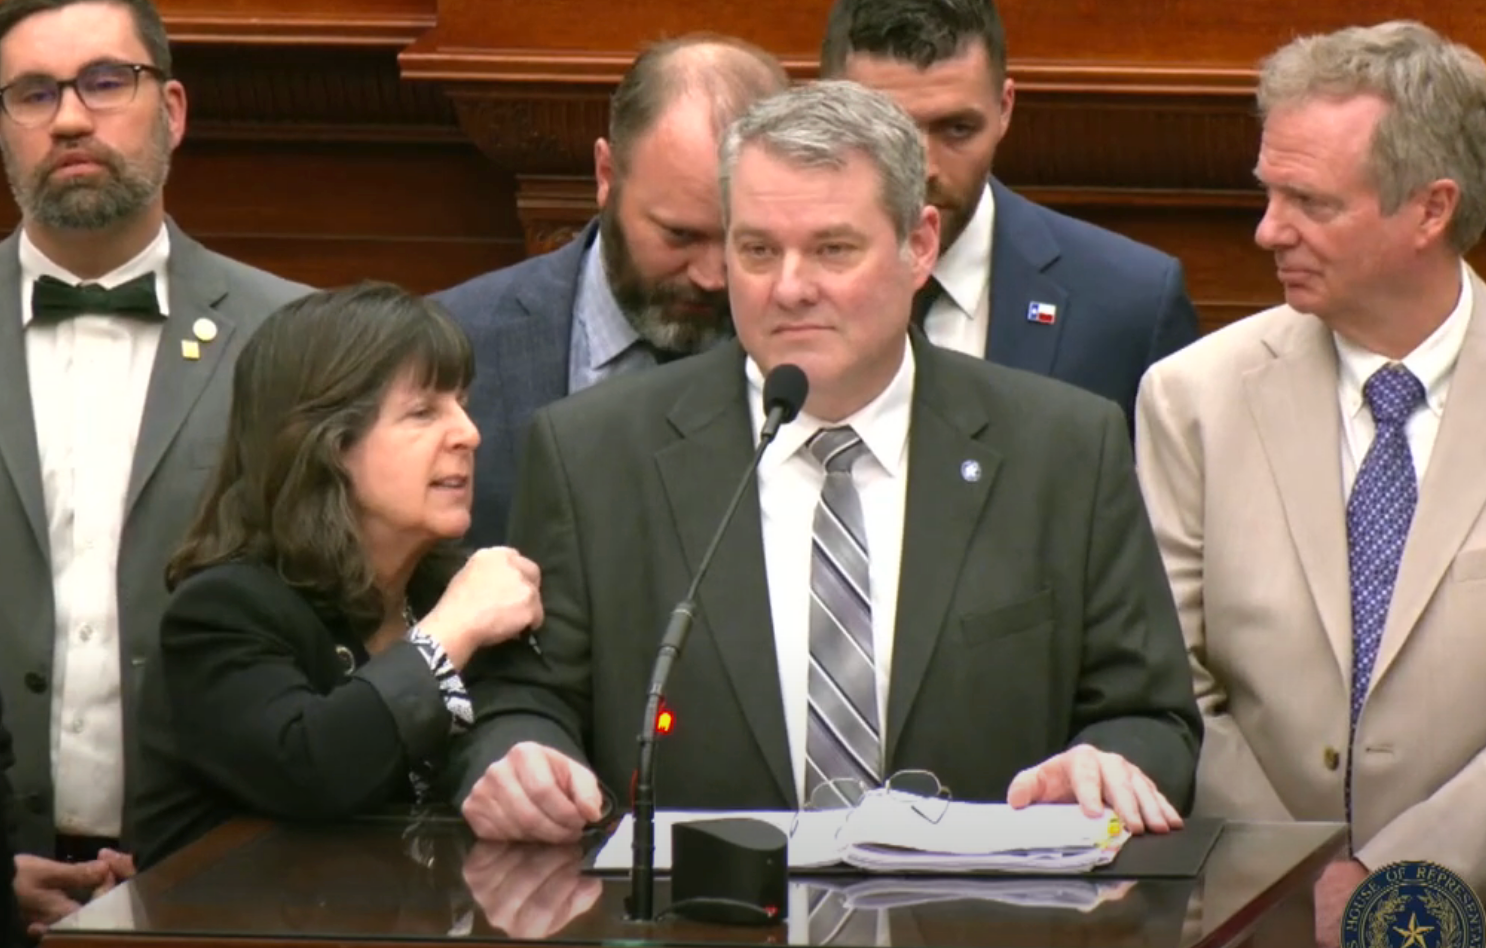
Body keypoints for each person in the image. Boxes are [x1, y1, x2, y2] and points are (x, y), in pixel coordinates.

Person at [449, 80, 1202, 843]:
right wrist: (521, 757)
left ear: (920, 246)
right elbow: (521, 701)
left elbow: (1152, 717)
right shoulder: (595, 454)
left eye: (833, 249)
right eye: (757, 250)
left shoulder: (1063, 448)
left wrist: (1108, 760)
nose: (790, 288)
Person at [1134, 19, 1486, 946]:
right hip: (1256, 913)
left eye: (1310, 202)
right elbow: (1169, 680)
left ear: (1430, 209)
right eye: (1268, 193)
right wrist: (1296, 868)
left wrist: (1410, 869)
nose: (1266, 230)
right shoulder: (1191, 399)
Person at [0, 0, 310, 931]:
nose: (68, 117)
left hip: (232, 888)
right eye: (31, 92)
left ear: (171, 110)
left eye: (105, 81)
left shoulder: (295, 341)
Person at [129, 283, 544, 869]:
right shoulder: (225, 610)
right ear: (323, 444)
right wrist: (451, 632)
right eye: (423, 412)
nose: (469, 433)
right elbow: (312, 770)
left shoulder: (440, 591)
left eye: (462, 403)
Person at [431, 34, 789, 548]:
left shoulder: (814, 355)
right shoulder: (457, 339)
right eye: (680, 235)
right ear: (605, 175)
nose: (713, 276)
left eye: (746, 242)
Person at [818, 0, 1199, 434]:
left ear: (1004, 108)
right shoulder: (764, 290)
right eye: (886, 131)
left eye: (957, 129)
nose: (924, 168)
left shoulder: (1131, 304)